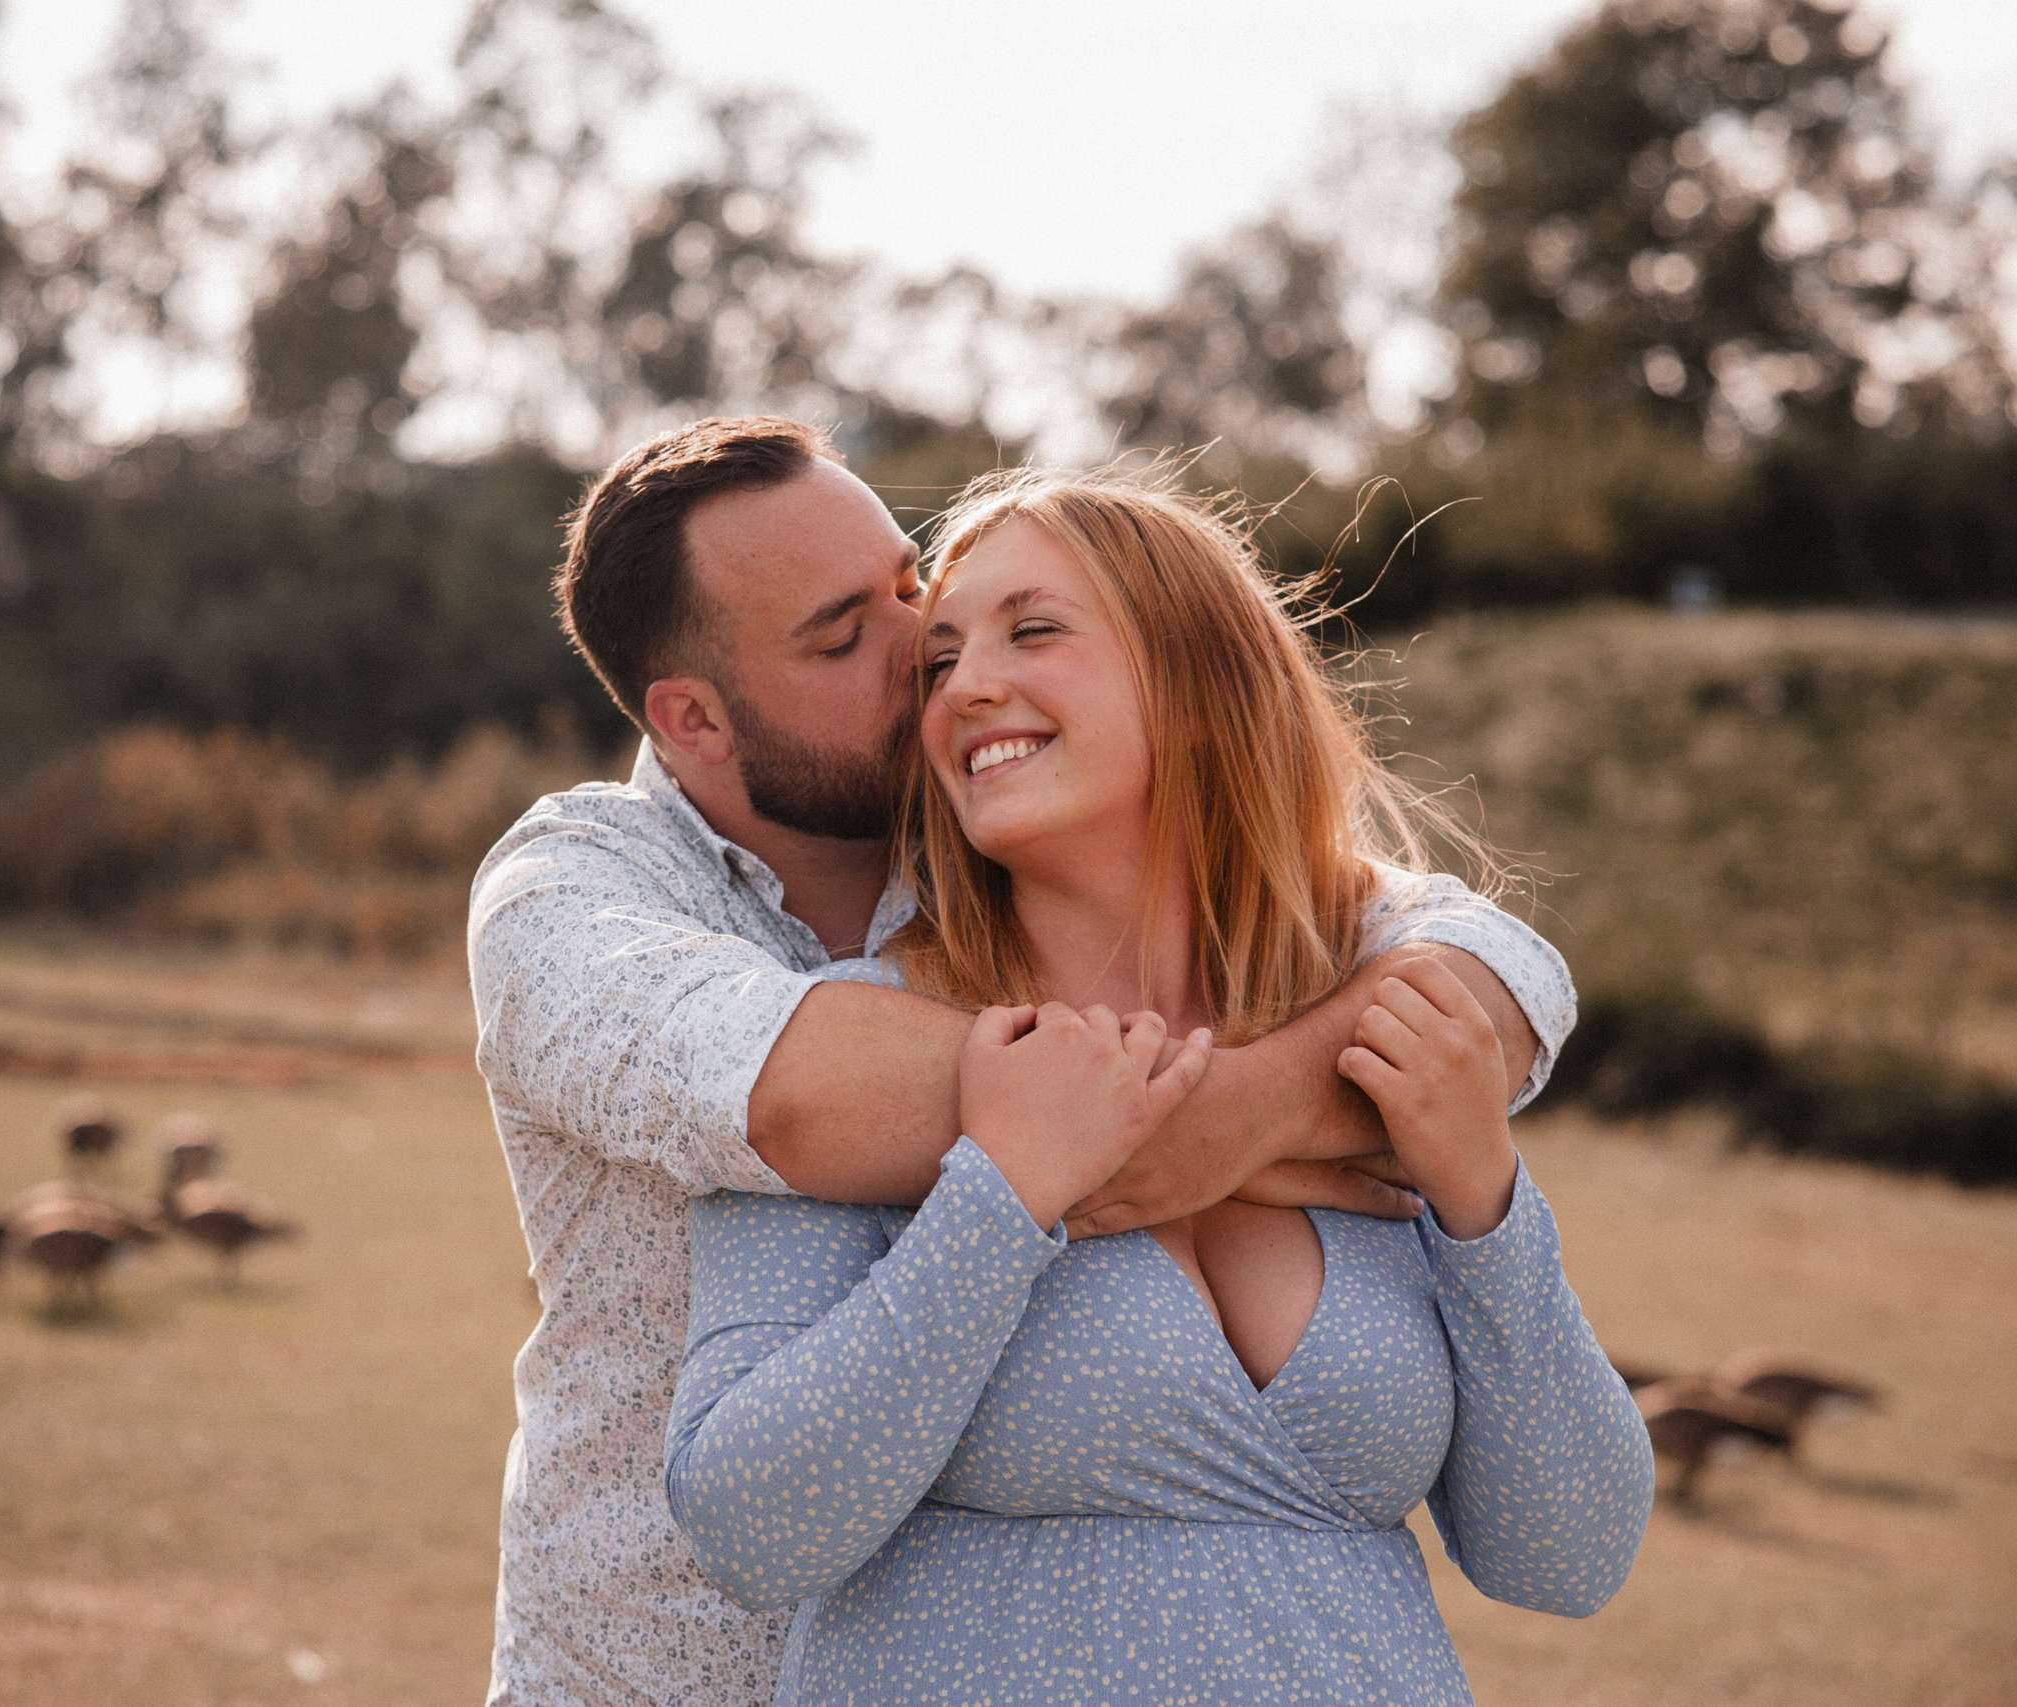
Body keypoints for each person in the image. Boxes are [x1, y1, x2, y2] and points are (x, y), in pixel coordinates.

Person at [468, 419, 1577, 1704]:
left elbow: (1490, 967)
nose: (927, 662)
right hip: (653, 1677)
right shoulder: (569, 895)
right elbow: (796, 1094)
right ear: (695, 721)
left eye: (908, 592)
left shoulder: (1016, 841)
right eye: (845, 638)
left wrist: (1250, 1105)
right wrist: (1251, 1108)